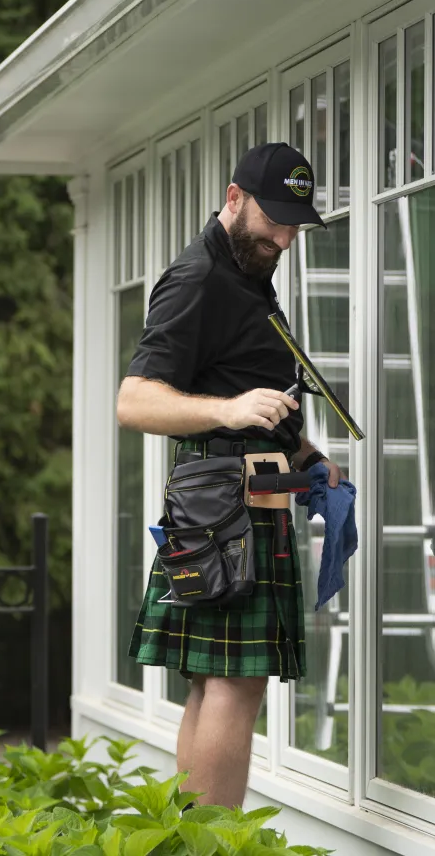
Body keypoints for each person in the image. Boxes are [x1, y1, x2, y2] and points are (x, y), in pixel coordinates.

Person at [118, 142, 343, 810]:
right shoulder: (199, 279)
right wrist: (231, 409)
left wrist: (307, 456)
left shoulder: (247, 272)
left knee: (214, 679)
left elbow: (245, 383)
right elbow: (134, 402)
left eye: (295, 223)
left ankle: (192, 841)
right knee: (233, 683)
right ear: (234, 197)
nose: (285, 236)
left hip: (245, 493)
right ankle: (214, 846)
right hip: (229, 504)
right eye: (275, 218)